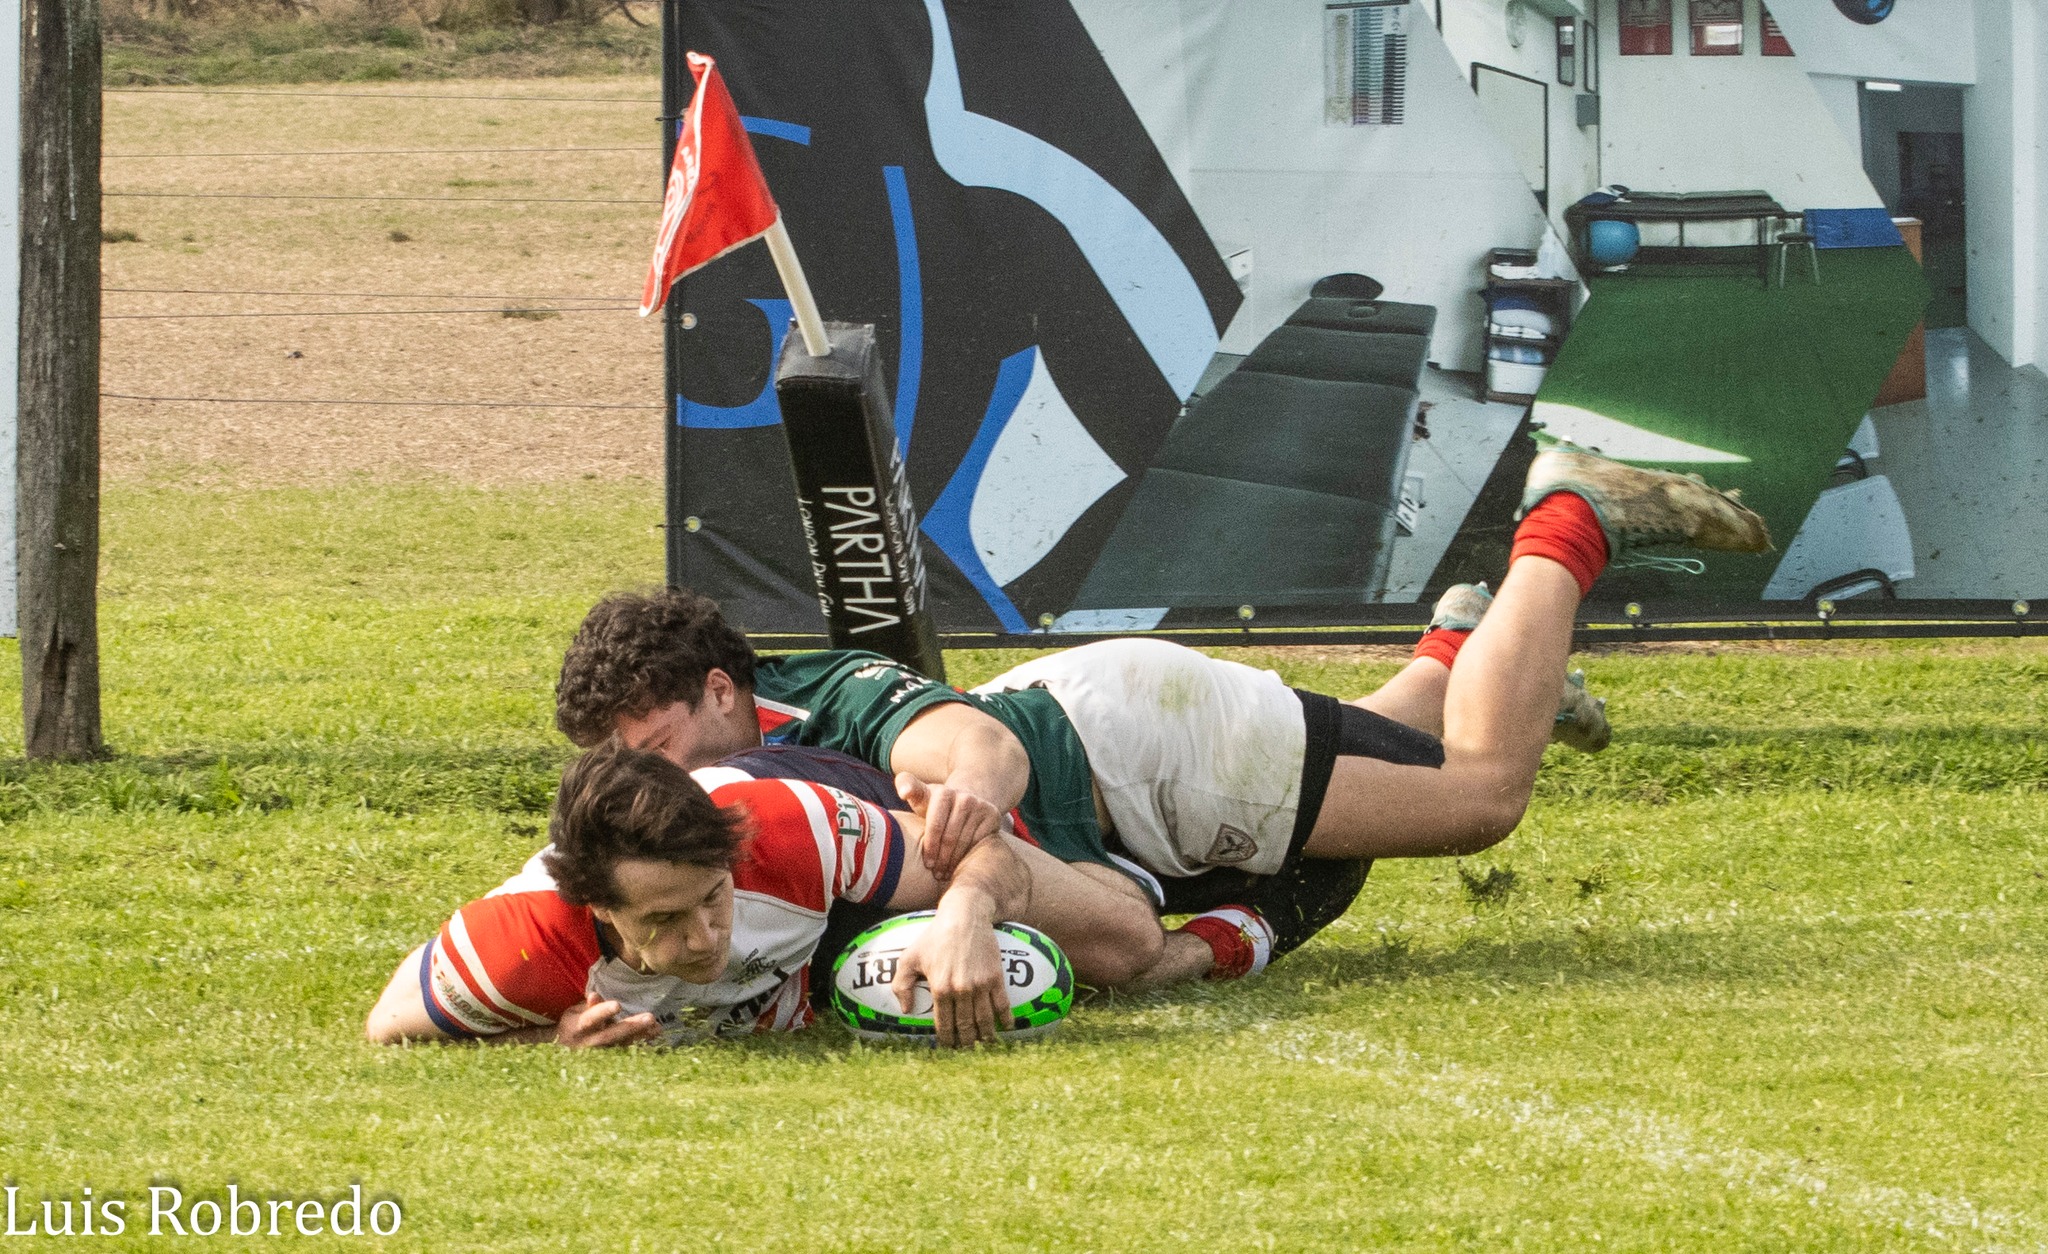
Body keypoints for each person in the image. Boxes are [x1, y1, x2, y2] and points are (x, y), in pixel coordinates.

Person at [554, 443, 1769, 986]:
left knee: (1474, 796)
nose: (657, 781)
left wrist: (967, 808)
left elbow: (965, 742)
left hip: (1141, 750)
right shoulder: (714, 800)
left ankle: (1568, 518)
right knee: (1371, 759)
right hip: (1117, 761)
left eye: (656, 748)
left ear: (723, 692)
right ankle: (1469, 644)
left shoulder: (815, 696)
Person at [364, 738, 1154, 1049]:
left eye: (713, 898)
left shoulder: (785, 833)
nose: (705, 936)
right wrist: (552, 1043)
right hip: (798, 967)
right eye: (664, 919)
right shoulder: (519, 944)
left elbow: (984, 852)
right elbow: (386, 1028)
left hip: (809, 821)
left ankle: (1176, 886)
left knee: (1129, 948)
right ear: (597, 906)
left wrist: (965, 915)